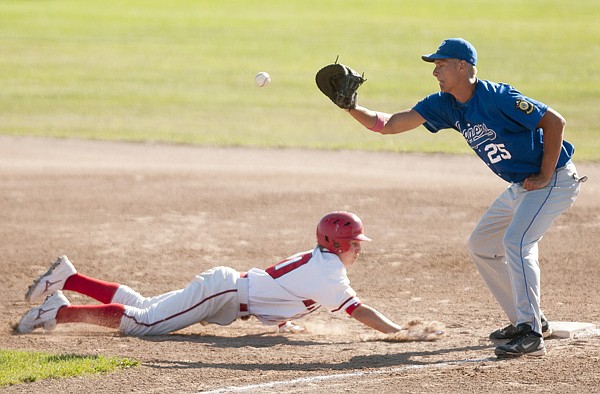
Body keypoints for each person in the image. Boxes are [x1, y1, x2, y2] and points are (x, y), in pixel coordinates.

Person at [337, 38, 584, 357]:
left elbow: (554, 122)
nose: (435, 71)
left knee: (517, 242)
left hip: (555, 180)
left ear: (462, 66)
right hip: (521, 187)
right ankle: (530, 319)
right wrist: (350, 106)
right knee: (481, 245)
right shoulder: (443, 104)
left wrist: (546, 174)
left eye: (441, 64)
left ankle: (531, 334)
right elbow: (389, 125)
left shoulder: (497, 97)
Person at [17, 211, 405, 337]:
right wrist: (399, 333)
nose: (360, 247)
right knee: (143, 323)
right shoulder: (329, 273)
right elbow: (361, 311)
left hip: (226, 289)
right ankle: (58, 312)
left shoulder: (322, 262)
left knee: (144, 306)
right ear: (336, 244)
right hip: (223, 293)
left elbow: (282, 289)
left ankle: (69, 278)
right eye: (355, 242)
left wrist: (281, 320)